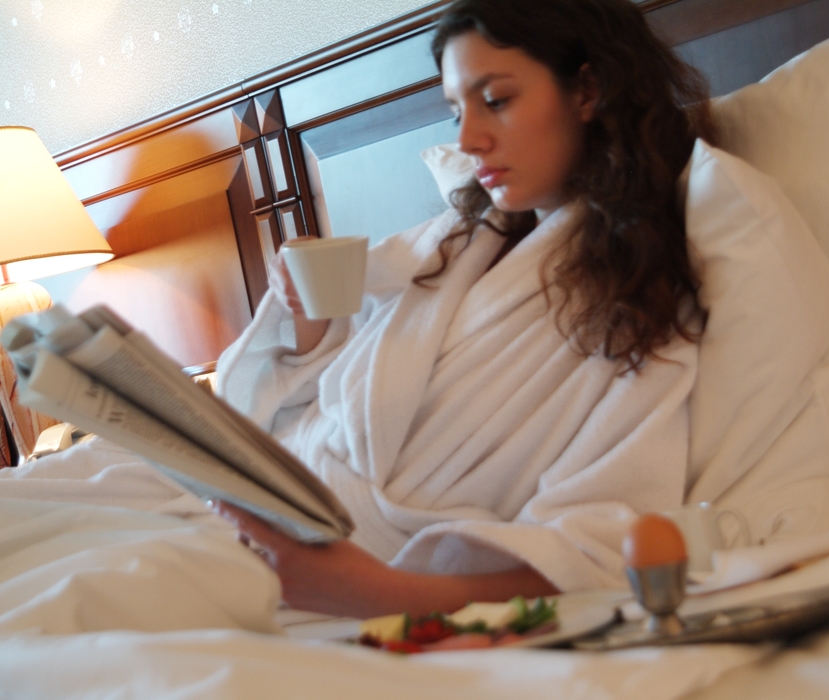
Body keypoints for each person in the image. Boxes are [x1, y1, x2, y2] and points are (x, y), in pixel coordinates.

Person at [214, 0, 714, 619]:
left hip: (365, 563)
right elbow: (338, 382)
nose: (467, 139)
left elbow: (603, 542)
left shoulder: (641, 290)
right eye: (456, 110)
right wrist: (309, 316)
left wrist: (378, 592)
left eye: (496, 100)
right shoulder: (464, 235)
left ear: (587, 89)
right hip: (276, 501)